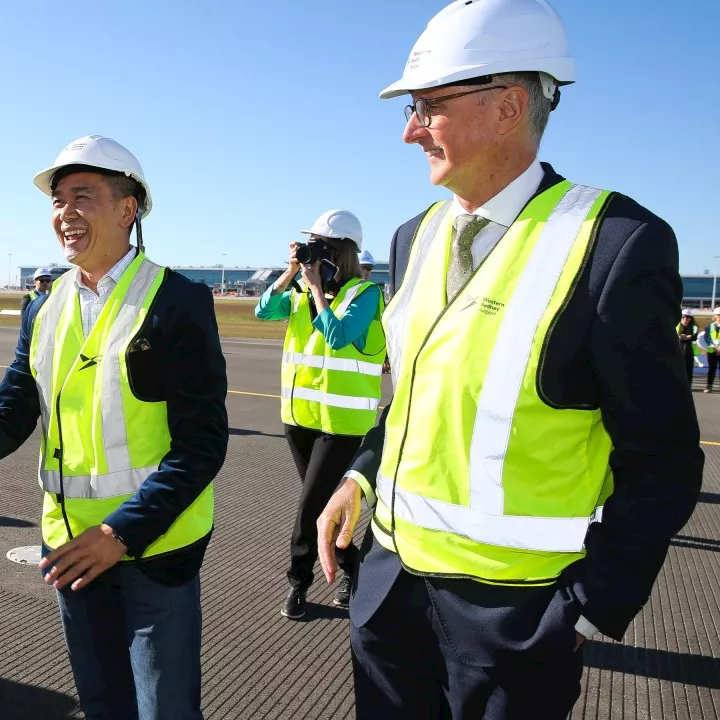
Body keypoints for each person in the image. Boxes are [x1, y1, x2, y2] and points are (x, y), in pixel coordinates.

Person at [316, 1, 704, 717]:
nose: (409, 131)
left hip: (515, 620)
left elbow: (665, 458)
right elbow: (411, 394)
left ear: (509, 106)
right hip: (390, 592)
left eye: (428, 107)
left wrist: (588, 610)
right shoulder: (413, 237)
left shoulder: (614, 243)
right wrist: (360, 476)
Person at [0, 135, 228, 719]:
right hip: (70, 545)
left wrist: (121, 533)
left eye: (83, 196)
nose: (64, 213)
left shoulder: (176, 300)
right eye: (57, 200)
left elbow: (201, 445)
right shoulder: (44, 304)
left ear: (129, 209)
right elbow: (12, 411)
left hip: (153, 550)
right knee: (103, 706)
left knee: (165, 711)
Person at [254, 209, 384, 619]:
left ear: (338, 252)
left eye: (318, 247)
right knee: (326, 504)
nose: (312, 255)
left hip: (342, 426)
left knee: (309, 508)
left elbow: (339, 336)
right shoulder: (298, 292)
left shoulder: (365, 295)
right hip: (299, 420)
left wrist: (315, 290)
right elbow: (263, 311)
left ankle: (298, 582)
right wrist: (291, 271)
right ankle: (352, 570)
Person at [678, 309, 700, 386]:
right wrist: (684, 337)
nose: (685, 319)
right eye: (683, 317)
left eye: (687, 317)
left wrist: (683, 337)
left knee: (688, 371)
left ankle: (688, 386)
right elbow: (675, 336)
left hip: (689, 351)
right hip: (678, 351)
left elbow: (693, 337)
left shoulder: (694, 327)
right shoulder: (677, 326)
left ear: (690, 318)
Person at [704, 309, 720, 393]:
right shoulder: (709, 326)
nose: (719, 317)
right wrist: (713, 346)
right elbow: (707, 338)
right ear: (714, 316)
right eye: (717, 315)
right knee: (712, 369)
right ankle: (709, 386)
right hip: (712, 350)